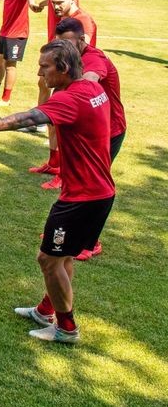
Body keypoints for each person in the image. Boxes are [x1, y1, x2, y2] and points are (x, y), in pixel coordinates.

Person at [0, 41, 113, 344]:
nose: (39, 72)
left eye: (45, 67)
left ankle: (67, 328)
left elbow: (29, 118)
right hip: (98, 192)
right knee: (63, 255)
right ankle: (46, 310)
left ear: (64, 68)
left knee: (48, 259)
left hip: (82, 199)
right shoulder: (93, 90)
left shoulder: (71, 99)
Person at [53, 16, 124, 261]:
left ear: (82, 40)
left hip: (108, 131)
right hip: (87, 130)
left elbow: (91, 78)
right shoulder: (70, 57)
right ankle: (62, 231)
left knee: (96, 185)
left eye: (68, 43)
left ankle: (91, 242)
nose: (64, 48)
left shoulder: (94, 59)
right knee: (74, 179)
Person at [39, 0, 100, 189]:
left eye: (59, 3)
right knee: (54, 123)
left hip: (74, 79)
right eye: (53, 3)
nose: (55, 7)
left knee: (65, 129)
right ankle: (54, 164)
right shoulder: (66, 19)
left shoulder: (83, 21)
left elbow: (82, 52)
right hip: (64, 76)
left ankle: (63, 175)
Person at [28, 0, 80, 177]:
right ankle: (53, 162)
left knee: (61, 120)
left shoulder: (71, 7)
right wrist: (40, 4)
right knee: (42, 85)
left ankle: (62, 171)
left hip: (63, 62)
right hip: (53, 53)